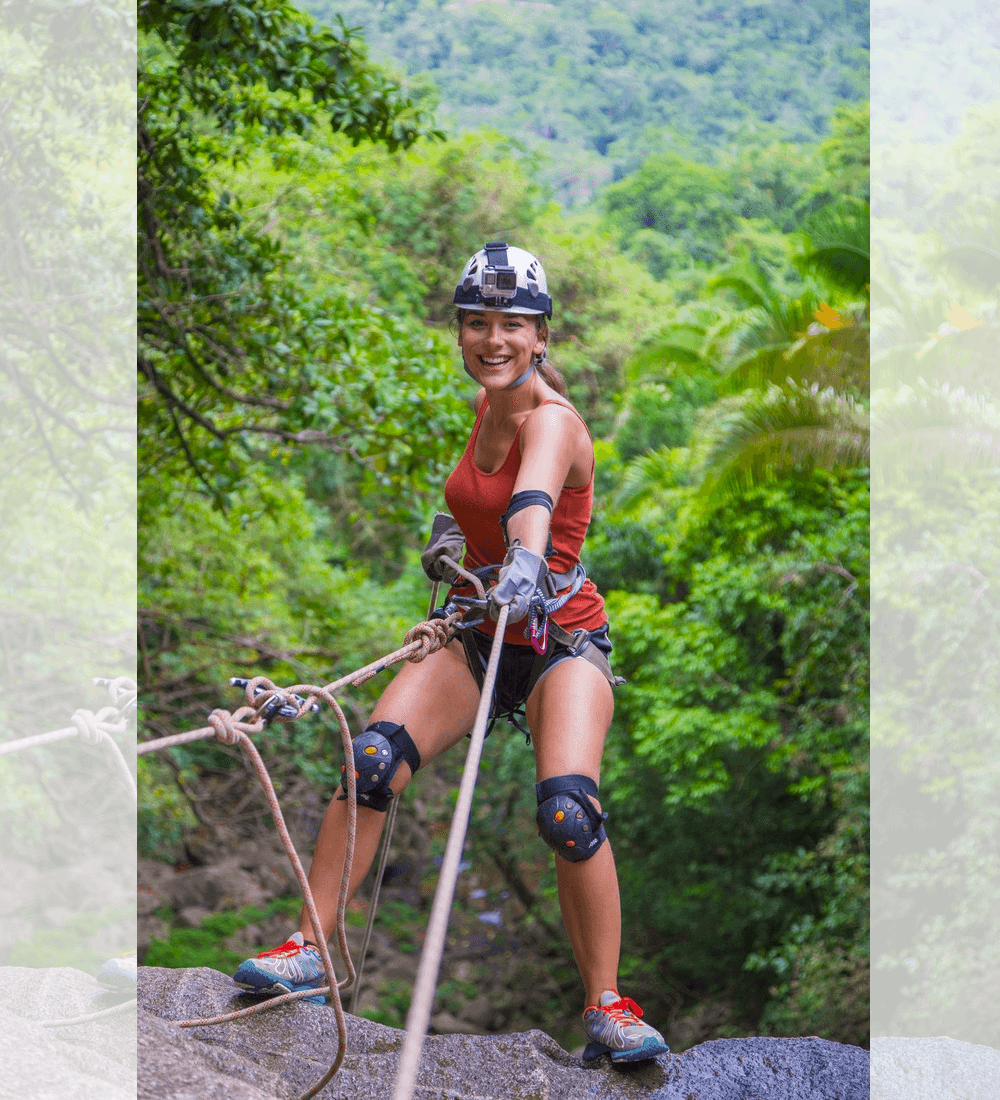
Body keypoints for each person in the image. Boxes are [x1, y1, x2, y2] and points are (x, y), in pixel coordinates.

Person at [232, 242, 669, 1064]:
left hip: (559, 638)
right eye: (477, 323)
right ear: (462, 331)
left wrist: (526, 569)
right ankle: (307, 949)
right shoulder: (488, 405)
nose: (492, 338)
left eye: (511, 324)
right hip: (475, 631)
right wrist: (452, 545)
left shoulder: (552, 420)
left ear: (542, 336)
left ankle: (608, 1004)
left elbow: (533, 500)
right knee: (369, 760)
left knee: (568, 810)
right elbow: (474, 500)